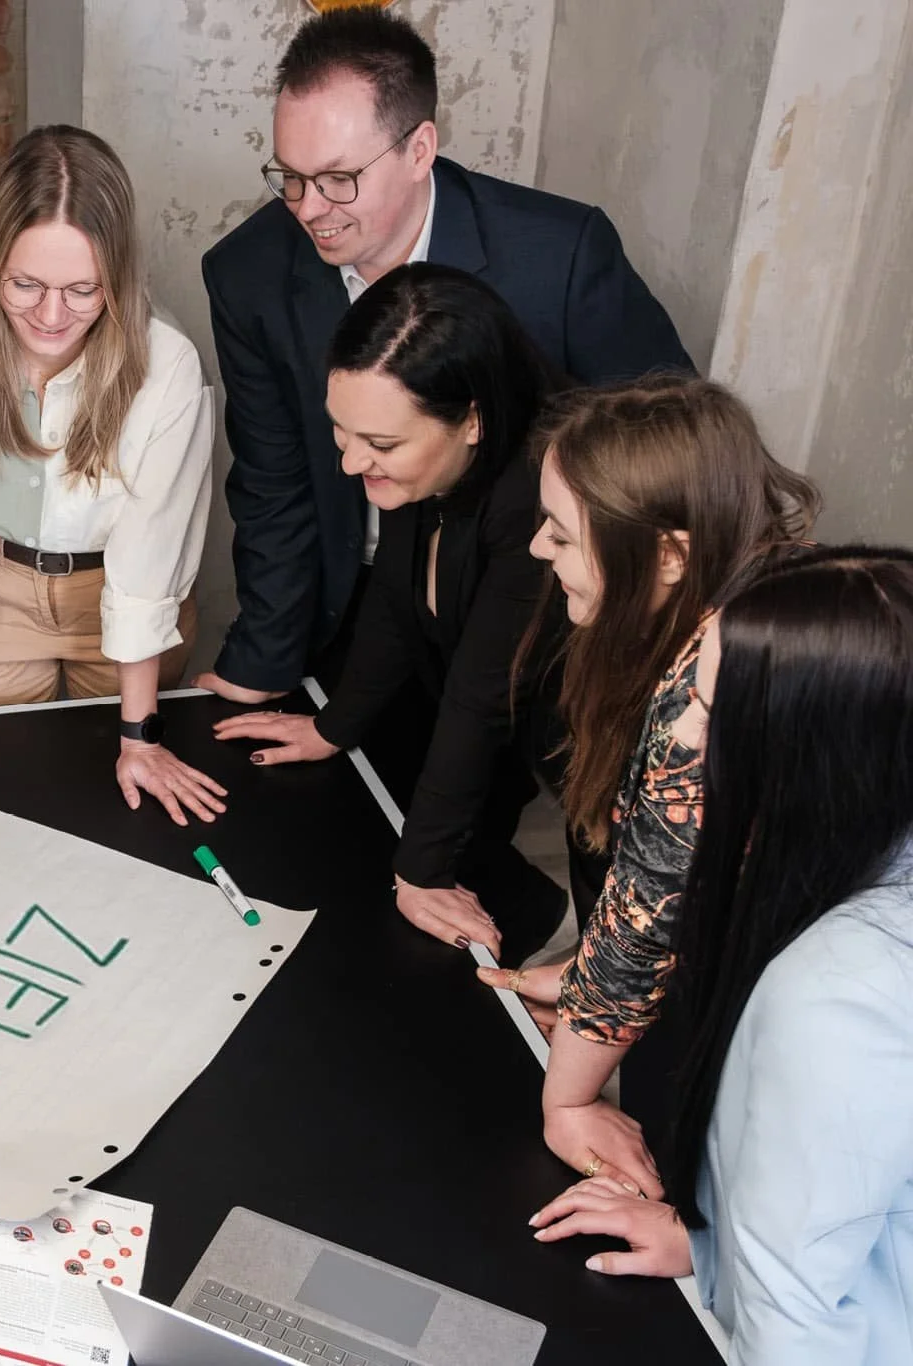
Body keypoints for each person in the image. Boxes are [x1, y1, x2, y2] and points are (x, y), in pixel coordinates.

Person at [196, 5, 691, 743]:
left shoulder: (559, 256)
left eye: (337, 178)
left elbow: (670, 437)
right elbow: (273, 484)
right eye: (289, 178)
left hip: (534, 607)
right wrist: (261, 658)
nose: (309, 209)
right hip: (355, 601)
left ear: (420, 147)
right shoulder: (248, 273)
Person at [531, 549, 913, 1366]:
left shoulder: (838, 993)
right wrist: (717, 1259)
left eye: (708, 705)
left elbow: (796, 1329)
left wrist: (751, 1277)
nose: (682, 730)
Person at [492, 376, 816, 1196]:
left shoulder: (715, 695)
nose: (539, 550)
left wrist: (567, 1099)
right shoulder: (751, 593)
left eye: (562, 536)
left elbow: (648, 915)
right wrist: (584, 973)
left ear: (668, 553)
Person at [216, 264, 585, 964]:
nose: (353, 463)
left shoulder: (538, 499)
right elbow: (393, 592)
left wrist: (421, 874)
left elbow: (481, 697)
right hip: (516, 724)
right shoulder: (431, 465)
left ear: (471, 421)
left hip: (604, 762)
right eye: (341, 432)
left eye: (381, 446)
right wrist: (334, 725)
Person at [0, 126, 223, 827]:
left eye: (82, 290)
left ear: (119, 275)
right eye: (25, 285)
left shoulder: (168, 366)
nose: (50, 316)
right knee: (2, 801)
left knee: (121, 810)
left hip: (122, 599)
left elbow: (148, 562)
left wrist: (140, 736)